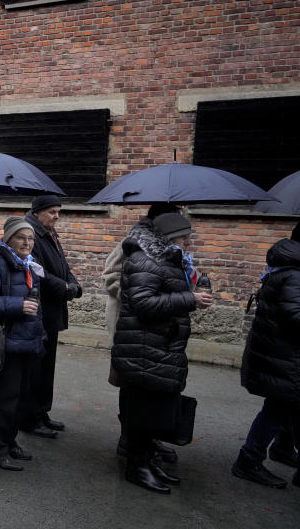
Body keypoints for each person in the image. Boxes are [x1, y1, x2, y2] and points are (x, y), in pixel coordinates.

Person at [111, 213, 212, 494]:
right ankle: (137, 467)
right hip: (143, 349)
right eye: (183, 237)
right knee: (143, 413)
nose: (187, 243)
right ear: (168, 238)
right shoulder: (144, 260)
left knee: (151, 412)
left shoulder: (164, 260)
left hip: (156, 348)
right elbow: (143, 303)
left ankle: (147, 463)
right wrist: (189, 299)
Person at [102, 202, 182, 465]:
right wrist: (134, 293)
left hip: (154, 324)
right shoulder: (134, 241)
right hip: (130, 321)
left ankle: (147, 439)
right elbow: (110, 275)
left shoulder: (167, 247)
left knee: (148, 383)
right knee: (132, 381)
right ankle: (129, 440)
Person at [0, 217, 47, 471]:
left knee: (20, 398)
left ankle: (9, 440)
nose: (27, 242)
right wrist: (17, 305)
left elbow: (37, 307)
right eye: (21, 237)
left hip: (28, 342)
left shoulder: (30, 266)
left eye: (31, 238)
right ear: (8, 239)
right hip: (8, 344)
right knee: (3, 399)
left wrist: (40, 335)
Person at [232, 230, 300, 489]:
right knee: (277, 407)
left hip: (281, 354)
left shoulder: (286, 268)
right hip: (286, 356)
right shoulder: (295, 274)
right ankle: (249, 461)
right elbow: (294, 315)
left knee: (288, 405)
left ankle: (281, 448)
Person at [20, 195, 82, 439]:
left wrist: (73, 283)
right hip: (40, 310)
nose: (57, 216)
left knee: (47, 367)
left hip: (53, 310)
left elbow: (63, 266)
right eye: (52, 212)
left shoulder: (50, 234)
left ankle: (41, 412)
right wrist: (66, 288)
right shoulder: (31, 235)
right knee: (35, 368)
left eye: (58, 212)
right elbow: (38, 273)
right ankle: (29, 417)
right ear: (37, 212)